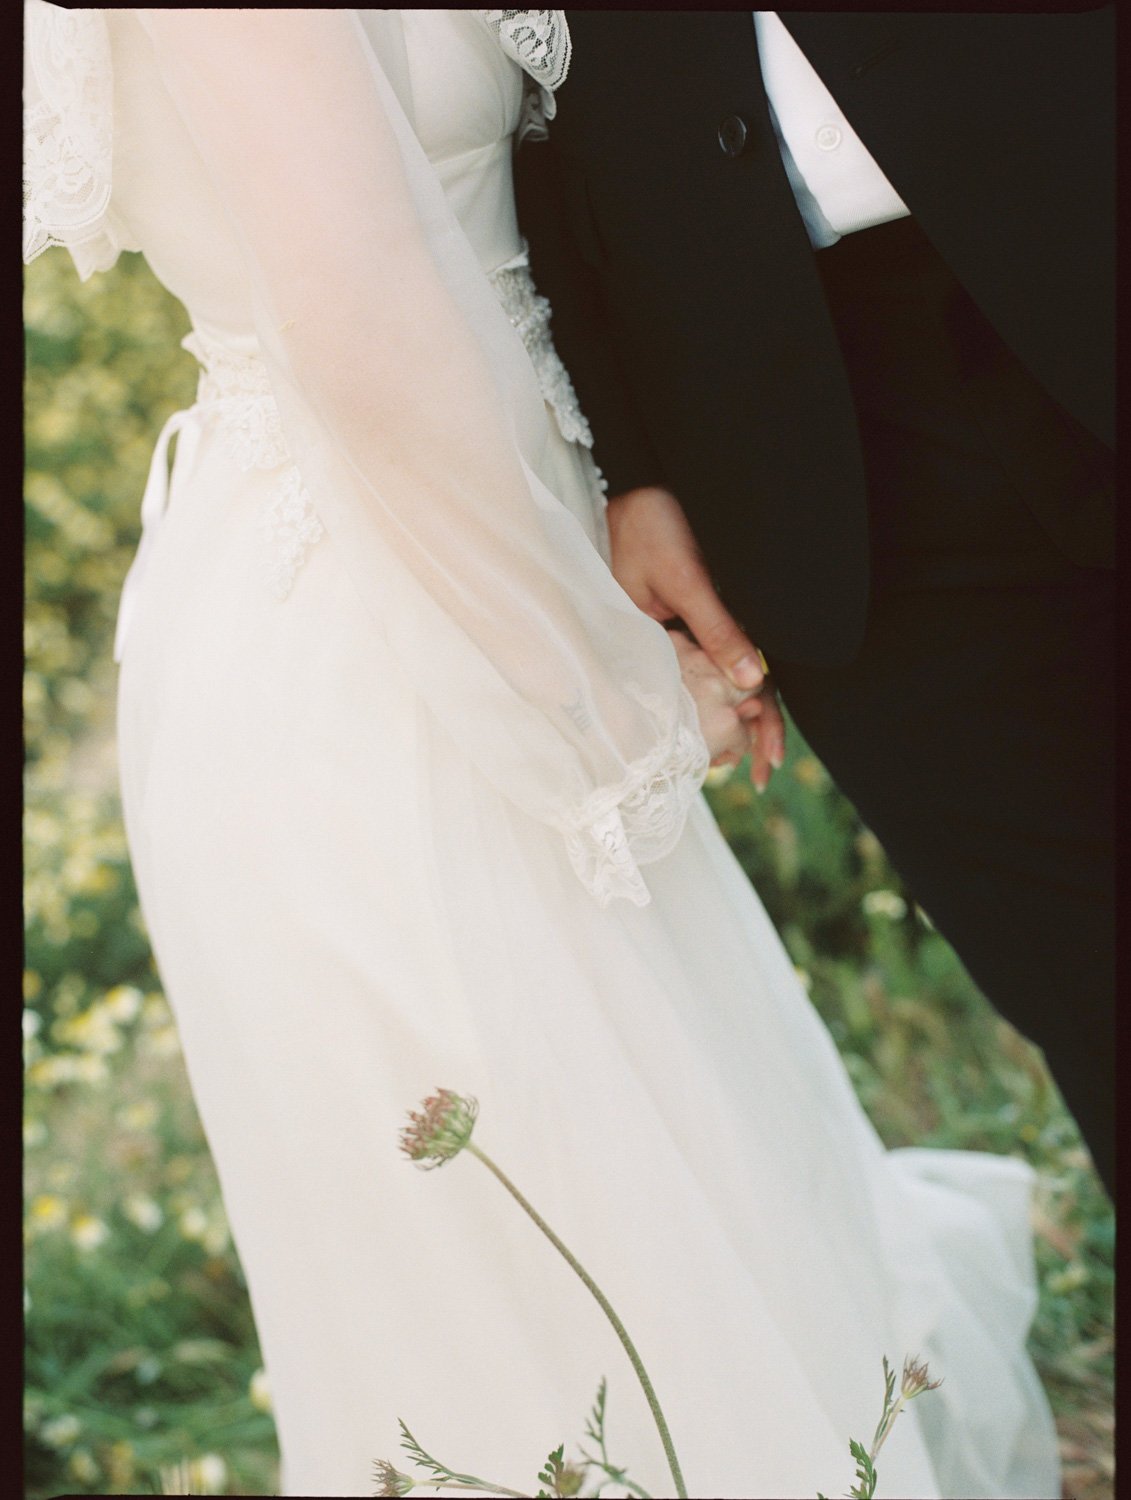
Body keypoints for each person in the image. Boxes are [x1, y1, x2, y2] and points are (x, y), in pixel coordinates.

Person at [24, 8, 1059, 1497]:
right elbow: (357, 318)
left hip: (488, 578)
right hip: (385, 642)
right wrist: (593, 691)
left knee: (686, 1209)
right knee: (548, 1289)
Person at [514, 9, 1115, 1200]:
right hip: (789, 425)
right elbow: (518, 111)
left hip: (1088, 204)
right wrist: (624, 456)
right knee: (1084, 975)